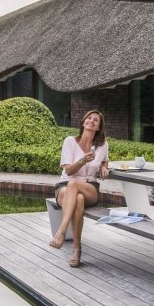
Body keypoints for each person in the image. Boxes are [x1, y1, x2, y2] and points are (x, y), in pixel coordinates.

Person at [49, 109, 108, 268]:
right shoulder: (70, 141)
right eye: (89, 118)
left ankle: (61, 231)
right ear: (83, 123)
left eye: (96, 120)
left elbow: (105, 161)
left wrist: (103, 166)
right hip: (65, 186)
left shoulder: (103, 146)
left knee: (75, 185)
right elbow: (68, 171)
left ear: (98, 127)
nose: (92, 121)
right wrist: (82, 160)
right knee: (77, 197)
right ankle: (77, 249)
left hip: (90, 187)